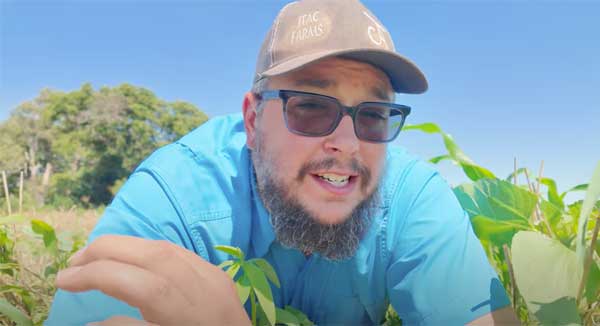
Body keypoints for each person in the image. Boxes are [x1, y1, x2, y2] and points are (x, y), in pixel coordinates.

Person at [46, 0, 520, 325]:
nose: (348, 144)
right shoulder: (175, 195)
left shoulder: (411, 195)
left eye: (373, 115)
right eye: (311, 105)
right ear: (253, 121)